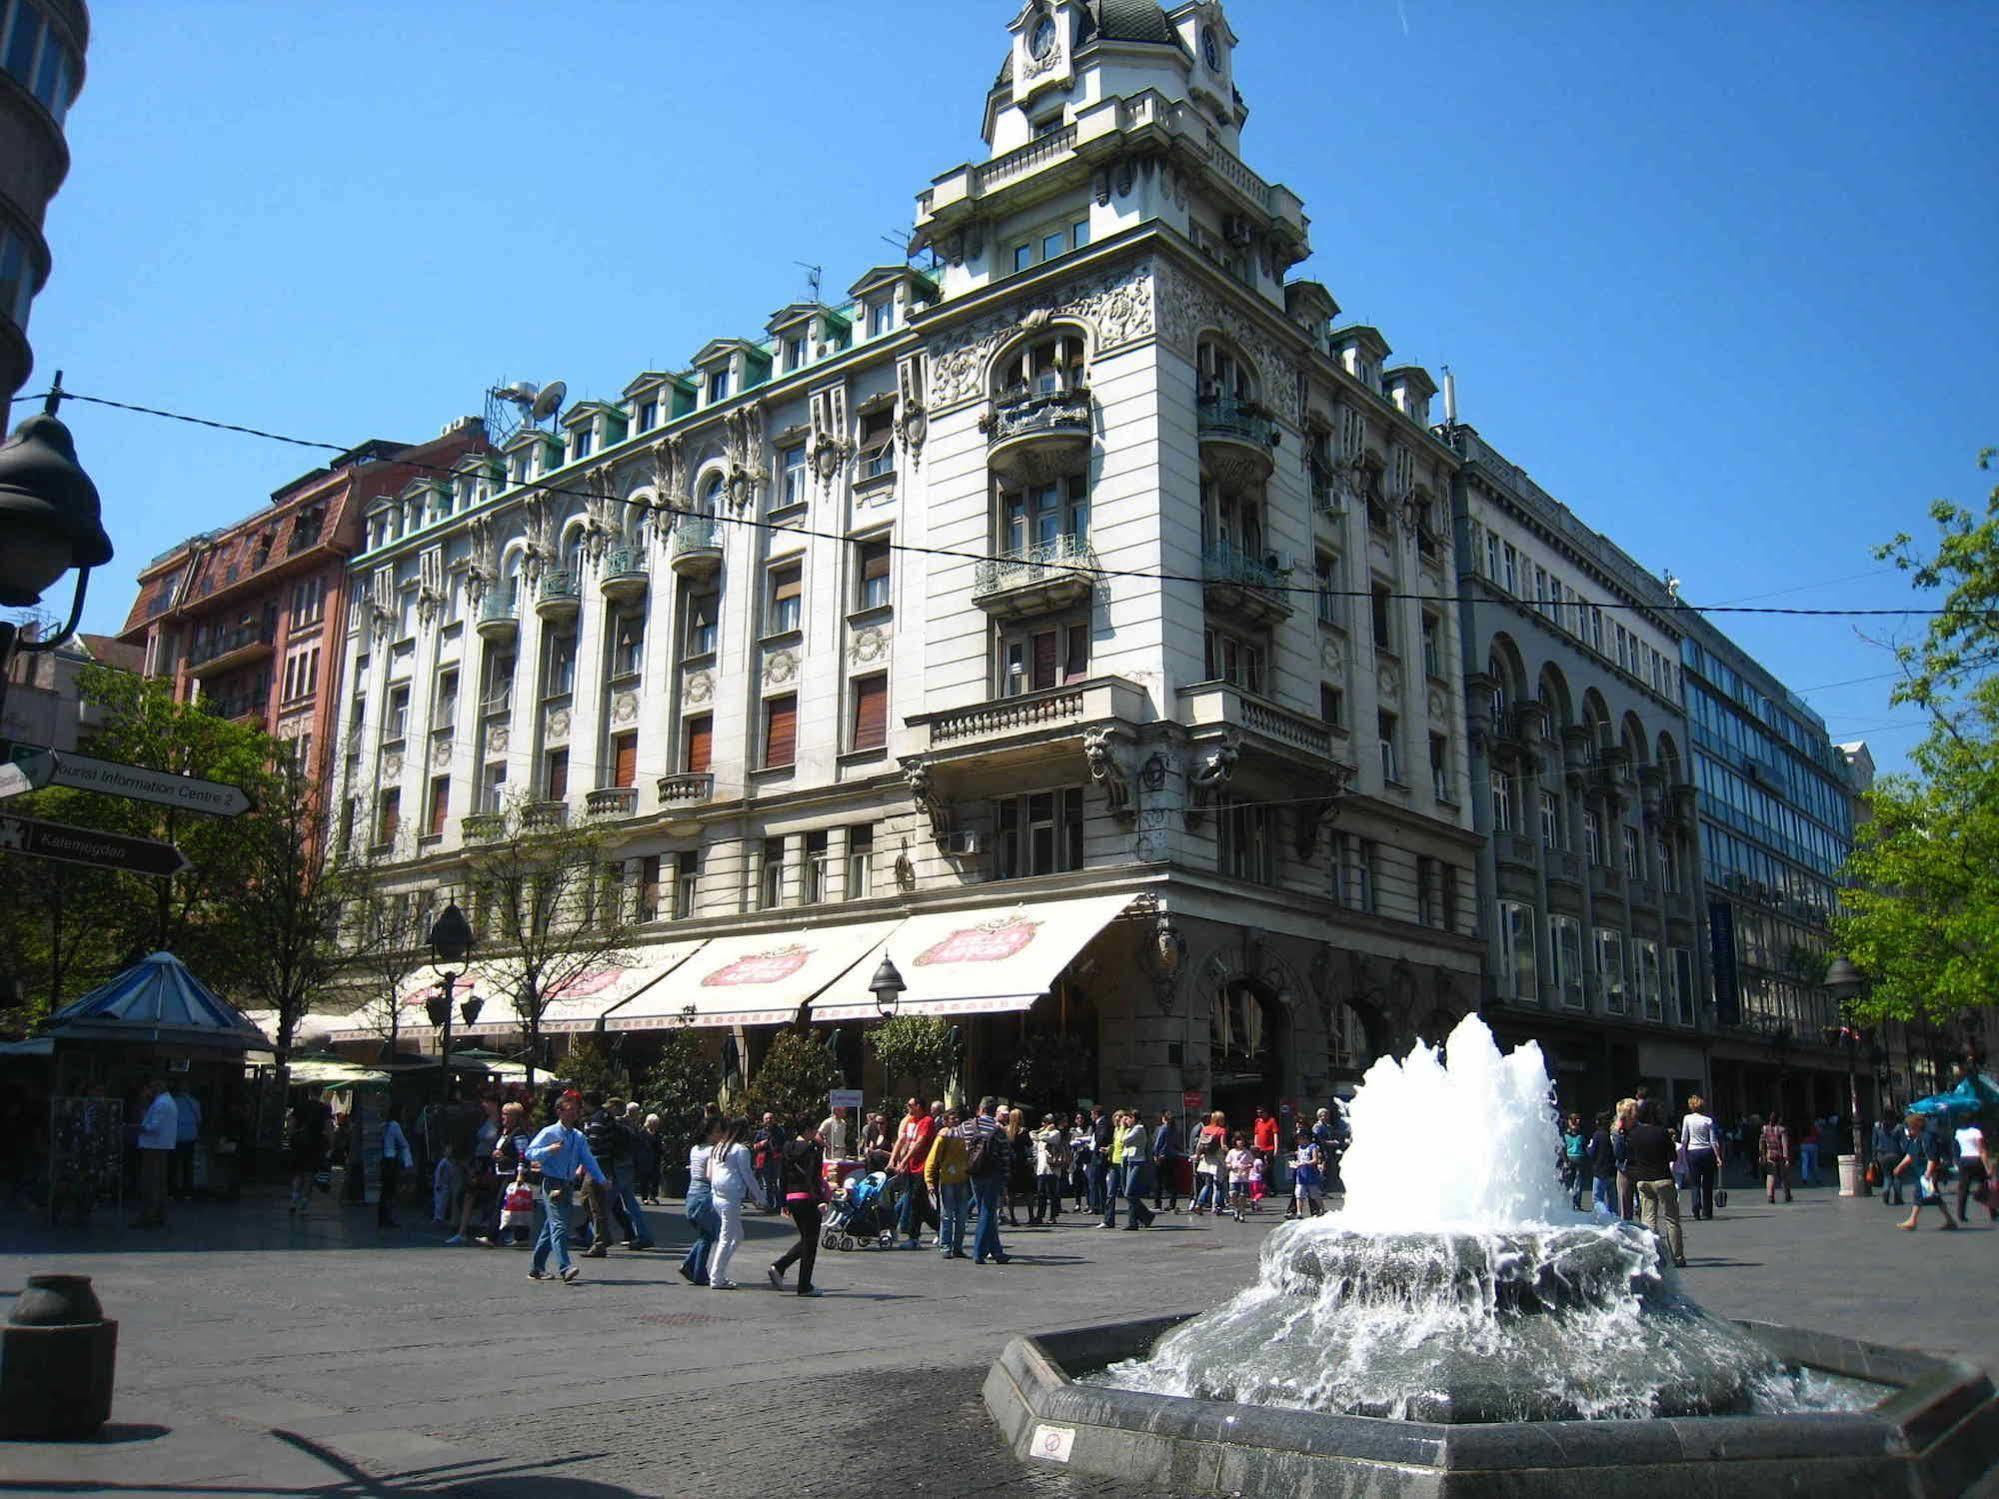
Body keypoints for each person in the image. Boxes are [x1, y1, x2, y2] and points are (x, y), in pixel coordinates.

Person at [524, 1092, 608, 1283]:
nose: (575, 1113)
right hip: (552, 1183)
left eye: (577, 1110)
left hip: (567, 1185)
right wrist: (548, 1150)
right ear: (560, 1111)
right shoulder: (549, 1132)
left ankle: (536, 1268)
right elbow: (530, 1153)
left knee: (551, 1226)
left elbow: (588, 1159)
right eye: (571, 1109)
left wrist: (601, 1179)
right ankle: (565, 1267)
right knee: (559, 1225)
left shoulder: (578, 1136)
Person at [768, 1122, 827, 1296]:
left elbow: (782, 1175)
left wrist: (783, 1201)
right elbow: (812, 1176)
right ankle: (803, 1285)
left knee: (806, 1239)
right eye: (815, 1130)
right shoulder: (810, 1150)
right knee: (811, 1241)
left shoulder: (787, 1147)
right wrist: (819, 1200)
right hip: (807, 1198)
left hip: (792, 1197)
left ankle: (780, 1267)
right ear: (808, 1131)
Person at [706, 1116, 765, 1288]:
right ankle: (717, 1277)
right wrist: (760, 1197)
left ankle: (717, 1271)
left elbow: (712, 1173)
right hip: (730, 1197)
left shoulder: (719, 1147)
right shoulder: (740, 1150)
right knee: (727, 1237)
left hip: (717, 1195)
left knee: (737, 1236)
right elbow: (747, 1175)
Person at [1625, 1103, 1685, 1268]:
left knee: (1648, 1220)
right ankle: (1678, 1257)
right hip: (1663, 1178)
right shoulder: (1662, 1132)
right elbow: (1672, 1156)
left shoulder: (1634, 1134)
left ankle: (1652, 1256)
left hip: (1643, 1180)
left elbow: (1629, 1156)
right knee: (1672, 1220)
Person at [964, 1096, 1011, 1265]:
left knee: (984, 1209)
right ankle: (979, 1252)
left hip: (975, 1172)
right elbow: (1005, 1155)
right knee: (987, 1211)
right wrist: (1005, 1178)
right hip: (993, 1173)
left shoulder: (969, 1125)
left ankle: (997, 1251)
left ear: (981, 1109)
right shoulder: (998, 1130)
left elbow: (961, 1143)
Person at [886, 1096, 938, 1247]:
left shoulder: (927, 1121)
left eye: (910, 1105)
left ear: (919, 1106)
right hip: (911, 1167)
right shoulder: (910, 1121)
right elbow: (902, 1140)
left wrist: (902, 1161)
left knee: (916, 1200)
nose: (907, 1108)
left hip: (923, 1167)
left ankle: (914, 1237)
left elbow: (919, 1144)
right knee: (920, 1203)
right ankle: (940, 1229)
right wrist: (892, 1160)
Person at [680, 1116, 724, 1285]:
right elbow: (711, 1175)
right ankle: (698, 1272)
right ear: (709, 1133)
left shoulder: (695, 1149)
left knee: (706, 1234)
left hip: (692, 1193)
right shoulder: (713, 1151)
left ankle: (690, 1265)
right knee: (708, 1235)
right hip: (705, 1194)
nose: (721, 1135)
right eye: (718, 1131)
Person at [1897, 1113, 1958, 1232]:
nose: (1908, 1130)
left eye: (1910, 1127)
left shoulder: (1927, 1138)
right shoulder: (1917, 1139)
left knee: (1918, 1194)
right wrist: (1900, 1166)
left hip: (1926, 1172)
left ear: (1916, 1126)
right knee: (1935, 1197)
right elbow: (1911, 1155)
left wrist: (1928, 1173)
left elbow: (1931, 1157)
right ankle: (1950, 1220)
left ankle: (1912, 1220)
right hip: (1921, 1171)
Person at [132, 1080, 178, 1229]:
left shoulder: (160, 1104)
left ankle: (148, 1216)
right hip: (162, 1146)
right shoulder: (168, 1102)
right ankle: (159, 1215)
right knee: (159, 1182)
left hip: (153, 1147)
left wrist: (139, 1128)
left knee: (150, 1183)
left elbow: (154, 1126)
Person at [927, 1107, 971, 1258]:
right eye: (953, 1119)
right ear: (945, 1122)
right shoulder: (942, 1137)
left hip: (963, 1179)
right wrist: (929, 1182)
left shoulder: (965, 1135)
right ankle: (945, 1246)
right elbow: (931, 1160)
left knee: (962, 1216)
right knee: (947, 1215)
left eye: (958, 1118)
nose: (957, 1121)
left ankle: (958, 1247)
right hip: (947, 1180)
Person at [288, 1086, 333, 1216]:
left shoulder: (300, 1105)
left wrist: (292, 1136)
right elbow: (328, 1127)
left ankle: (293, 1201)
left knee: (298, 1173)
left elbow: (291, 1123)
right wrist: (330, 1144)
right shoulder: (325, 1108)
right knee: (309, 1175)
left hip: (300, 1144)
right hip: (315, 1145)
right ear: (321, 1093)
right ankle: (304, 1206)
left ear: (309, 1092)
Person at [1679, 1095, 1722, 1222]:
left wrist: (1682, 1153)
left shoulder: (1687, 1118)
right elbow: (1713, 1140)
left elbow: (1684, 1138)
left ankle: (1695, 1205)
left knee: (1695, 1182)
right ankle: (1707, 1211)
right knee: (1708, 1182)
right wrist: (1718, 1156)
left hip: (1693, 1151)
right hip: (1707, 1151)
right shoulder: (1708, 1120)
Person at [1117, 1110, 1156, 1230]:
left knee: (1129, 1193)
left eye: (1128, 1118)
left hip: (1138, 1162)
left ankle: (1147, 1215)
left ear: (1134, 1118)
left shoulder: (1139, 1128)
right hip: (1130, 1161)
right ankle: (1133, 1221)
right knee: (1130, 1194)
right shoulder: (1131, 1129)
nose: (1126, 1121)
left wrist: (1123, 1127)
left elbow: (1124, 1140)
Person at [380, 1103, 415, 1229]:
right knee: (390, 1190)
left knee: (385, 1190)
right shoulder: (395, 1125)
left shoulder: (384, 1125)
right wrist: (408, 1162)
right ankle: (388, 1217)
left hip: (384, 1159)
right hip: (391, 1159)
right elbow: (403, 1142)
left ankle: (383, 1217)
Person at [1955, 1119, 1995, 1224]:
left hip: (1964, 1159)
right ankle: (1992, 1211)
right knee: (1985, 1184)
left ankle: (1961, 1214)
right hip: (1976, 1159)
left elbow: (1957, 1147)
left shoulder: (1958, 1132)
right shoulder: (1976, 1132)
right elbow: (1981, 1150)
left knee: (1963, 1188)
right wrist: (1987, 1167)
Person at [1031, 1113, 1067, 1225]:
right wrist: (1040, 1130)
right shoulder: (1042, 1131)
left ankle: (1053, 1216)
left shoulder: (1056, 1133)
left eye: (1045, 1122)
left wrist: (1045, 1131)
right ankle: (1040, 1216)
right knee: (1041, 1193)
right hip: (1041, 1168)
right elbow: (1032, 1135)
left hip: (1052, 1168)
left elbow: (1043, 1137)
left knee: (1052, 1193)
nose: (1043, 1124)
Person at [170, 1081, 202, 1200]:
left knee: (174, 1164)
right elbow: (199, 1119)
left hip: (176, 1135)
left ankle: (173, 1190)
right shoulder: (195, 1103)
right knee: (188, 1164)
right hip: (191, 1135)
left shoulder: (174, 1102)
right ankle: (187, 1190)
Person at [1190, 1111, 1227, 1215]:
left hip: (1206, 1159)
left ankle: (1199, 1204)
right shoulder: (1221, 1130)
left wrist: (1197, 1156)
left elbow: (1199, 1145)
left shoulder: (1205, 1129)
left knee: (1207, 1184)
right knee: (1218, 1184)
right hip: (1217, 1159)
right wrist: (1228, 1152)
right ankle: (1218, 1206)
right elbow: (1223, 1145)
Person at [754, 1113, 787, 1216]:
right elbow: (754, 1146)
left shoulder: (780, 1131)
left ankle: (779, 1205)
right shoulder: (760, 1133)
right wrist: (761, 1144)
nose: (768, 1120)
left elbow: (785, 1144)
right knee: (767, 1184)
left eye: (770, 1118)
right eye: (766, 1118)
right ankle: (769, 1204)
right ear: (763, 1120)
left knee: (777, 1183)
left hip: (777, 1160)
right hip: (765, 1160)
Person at [1758, 1114, 1794, 1204]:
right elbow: (1784, 1144)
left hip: (1770, 1154)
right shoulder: (1781, 1130)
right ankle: (1787, 1195)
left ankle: (1770, 1196)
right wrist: (1786, 1159)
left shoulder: (1764, 1129)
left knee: (1770, 1176)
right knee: (1784, 1176)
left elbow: (1761, 1143)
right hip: (1779, 1155)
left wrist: (1761, 1155)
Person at [1291, 1129, 1327, 1218]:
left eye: (1299, 1139)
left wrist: (1305, 1163)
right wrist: (1295, 1163)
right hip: (1301, 1175)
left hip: (1311, 1174)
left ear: (1305, 1138)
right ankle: (1299, 1212)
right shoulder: (1299, 1148)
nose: (1298, 1141)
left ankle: (1322, 1209)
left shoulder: (1312, 1146)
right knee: (1299, 1194)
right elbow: (1299, 1159)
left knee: (1314, 1194)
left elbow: (1315, 1160)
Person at [1151, 1110, 1182, 1212]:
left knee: (1158, 1181)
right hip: (1172, 1156)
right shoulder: (1174, 1129)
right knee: (1171, 1180)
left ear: (1164, 1118)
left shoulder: (1163, 1128)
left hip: (1162, 1157)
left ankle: (1157, 1203)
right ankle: (1172, 1203)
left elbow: (1158, 1143)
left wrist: (1155, 1154)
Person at [1087, 1104, 1115, 1215]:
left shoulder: (1102, 1123)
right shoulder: (1101, 1123)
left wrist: (1096, 1147)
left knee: (1095, 1180)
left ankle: (1096, 1206)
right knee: (1099, 1181)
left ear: (1095, 1113)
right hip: (1099, 1154)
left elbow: (1102, 1138)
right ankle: (1099, 1205)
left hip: (1099, 1155)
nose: (1091, 1117)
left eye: (1091, 1114)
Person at [1560, 1112, 1588, 1211]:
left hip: (1580, 1158)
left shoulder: (1582, 1133)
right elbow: (1562, 1148)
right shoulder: (1565, 1134)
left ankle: (1578, 1203)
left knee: (1579, 1182)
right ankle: (1569, 1203)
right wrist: (1565, 1160)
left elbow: (1585, 1146)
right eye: (1574, 1121)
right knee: (1569, 1182)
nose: (1576, 1124)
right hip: (1570, 1158)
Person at [1225, 1134, 1254, 1221]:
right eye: (1238, 1140)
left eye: (1242, 1140)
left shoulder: (1247, 1152)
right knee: (1233, 1194)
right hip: (1234, 1176)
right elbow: (1227, 1163)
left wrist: (1247, 1166)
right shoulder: (1231, 1152)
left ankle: (1242, 1212)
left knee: (1243, 1195)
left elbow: (1251, 1163)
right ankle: (1236, 1208)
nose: (1240, 1142)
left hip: (1244, 1177)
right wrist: (1231, 1166)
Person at [1798, 1119, 1820, 1188]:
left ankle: (1805, 1178)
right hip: (1812, 1144)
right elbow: (1818, 1134)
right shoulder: (1813, 1126)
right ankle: (1816, 1178)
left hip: (1804, 1145)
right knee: (1814, 1163)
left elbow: (1799, 1136)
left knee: (1805, 1163)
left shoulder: (1802, 1127)